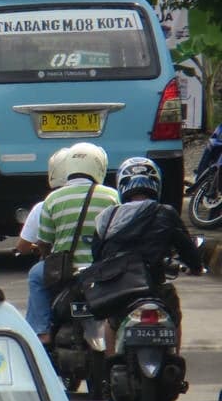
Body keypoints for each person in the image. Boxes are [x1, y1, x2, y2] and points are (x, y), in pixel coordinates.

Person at [91, 156, 203, 342]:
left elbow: (97, 256)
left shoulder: (107, 217)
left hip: (120, 289)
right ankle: (174, 355)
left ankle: (110, 364)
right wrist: (196, 267)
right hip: (154, 286)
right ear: (156, 184)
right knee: (173, 316)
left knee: (112, 321)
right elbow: (187, 248)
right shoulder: (166, 213)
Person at [25, 142, 119, 345]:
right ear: (99, 166)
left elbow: (45, 242)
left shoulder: (53, 199)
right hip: (102, 269)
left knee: (35, 275)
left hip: (65, 271)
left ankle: (42, 332)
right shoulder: (111, 196)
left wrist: (48, 255)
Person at [15, 147, 70, 257]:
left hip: (59, 267)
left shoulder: (45, 205)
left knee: (35, 273)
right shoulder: (109, 197)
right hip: (100, 268)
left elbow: (22, 247)